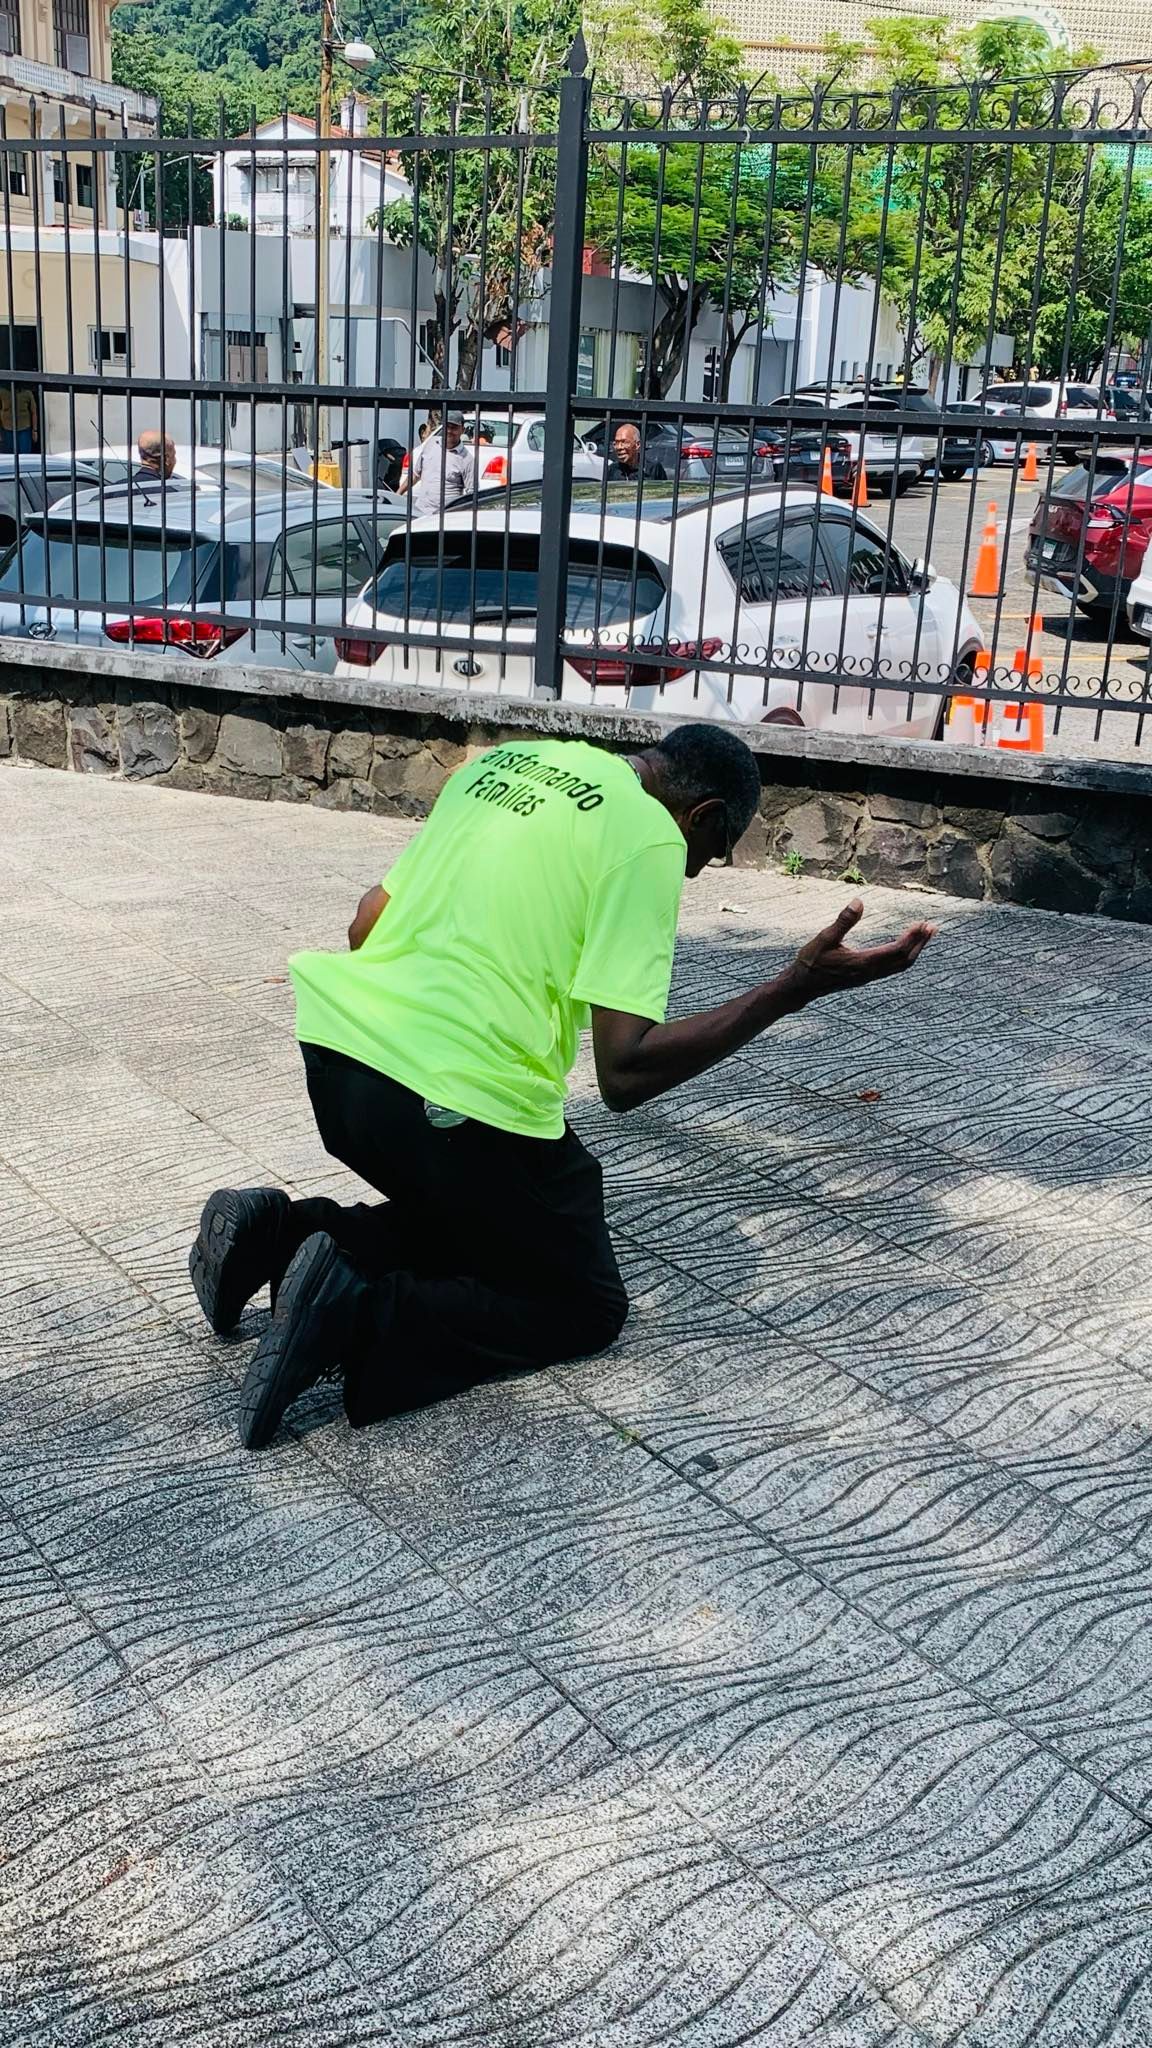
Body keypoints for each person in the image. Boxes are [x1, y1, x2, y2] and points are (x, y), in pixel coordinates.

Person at [188, 723, 935, 1451]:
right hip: (444, 1092)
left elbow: (365, 924)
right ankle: (354, 1315)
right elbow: (626, 1070)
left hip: (336, 1056)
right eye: (711, 850)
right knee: (580, 1301)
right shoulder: (648, 835)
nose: (697, 871)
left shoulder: (508, 766)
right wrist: (790, 989)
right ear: (701, 815)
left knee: (495, 1223)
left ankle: (275, 1238)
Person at [398, 408, 475, 516]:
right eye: (447, 426)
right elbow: (415, 475)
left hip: (446, 515)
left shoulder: (466, 459)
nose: (449, 431)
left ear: (462, 430)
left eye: (454, 428)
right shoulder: (430, 444)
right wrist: (398, 494)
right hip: (420, 511)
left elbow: (471, 493)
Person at [0, 382, 38, 455]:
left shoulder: (27, 393)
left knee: (25, 456)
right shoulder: (2, 392)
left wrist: (35, 431)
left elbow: (34, 412)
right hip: (7, 429)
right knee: (9, 456)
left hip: (24, 429)